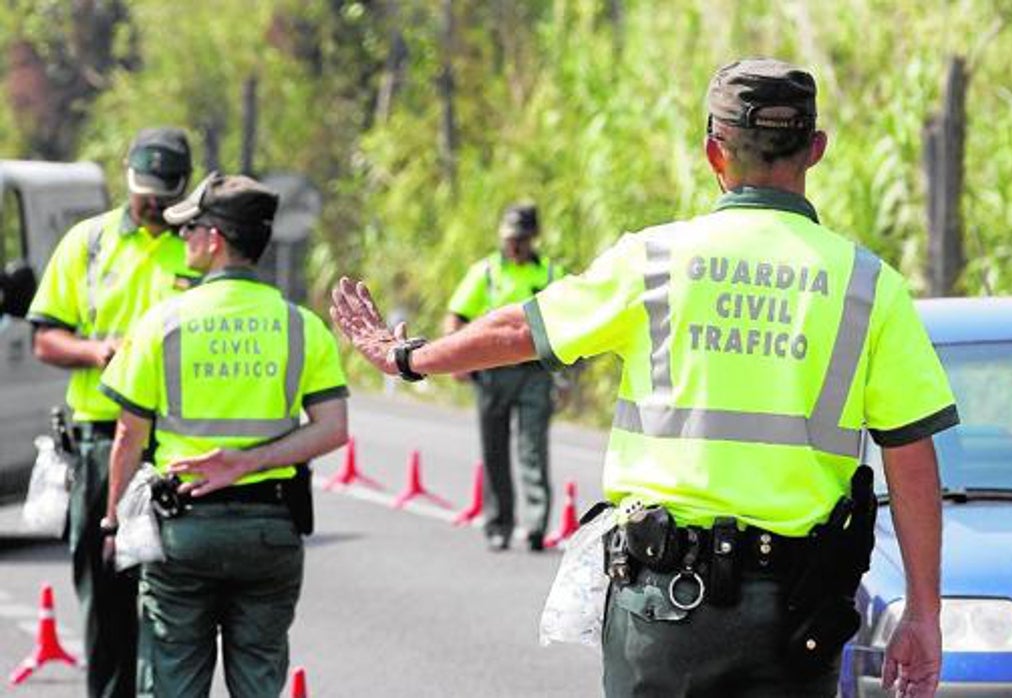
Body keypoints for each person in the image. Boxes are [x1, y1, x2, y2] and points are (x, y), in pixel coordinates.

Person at [331, 58, 955, 698]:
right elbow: (910, 458)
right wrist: (924, 615)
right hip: (795, 619)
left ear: (714, 151)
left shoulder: (654, 261)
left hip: (661, 610)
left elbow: (520, 329)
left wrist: (410, 357)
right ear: (816, 150)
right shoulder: (869, 287)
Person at [98, 173, 349, 697]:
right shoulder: (301, 325)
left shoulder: (160, 323)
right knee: (259, 681)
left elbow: (128, 436)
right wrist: (249, 462)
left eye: (190, 229)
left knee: (173, 679)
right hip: (270, 531)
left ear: (215, 240)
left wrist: (113, 519)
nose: (183, 239)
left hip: (183, 532)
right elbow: (332, 430)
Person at [26, 127, 196, 698]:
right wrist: (100, 352)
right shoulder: (88, 243)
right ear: (126, 175)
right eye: (144, 191)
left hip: (176, 443)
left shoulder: (200, 248)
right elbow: (46, 338)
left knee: (176, 605)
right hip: (101, 442)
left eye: (164, 195)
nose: (153, 204)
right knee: (107, 600)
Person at [444, 202, 564, 551]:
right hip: (492, 374)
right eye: (510, 238)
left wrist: (566, 378)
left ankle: (537, 525)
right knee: (494, 448)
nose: (514, 245)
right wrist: (457, 359)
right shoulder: (486, 272)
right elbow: (457, 315)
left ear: (534, 238)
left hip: (535, 373)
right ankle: (499, 524)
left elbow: (570, 326)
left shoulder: (551, 275)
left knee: (533, 449)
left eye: (521, 239)